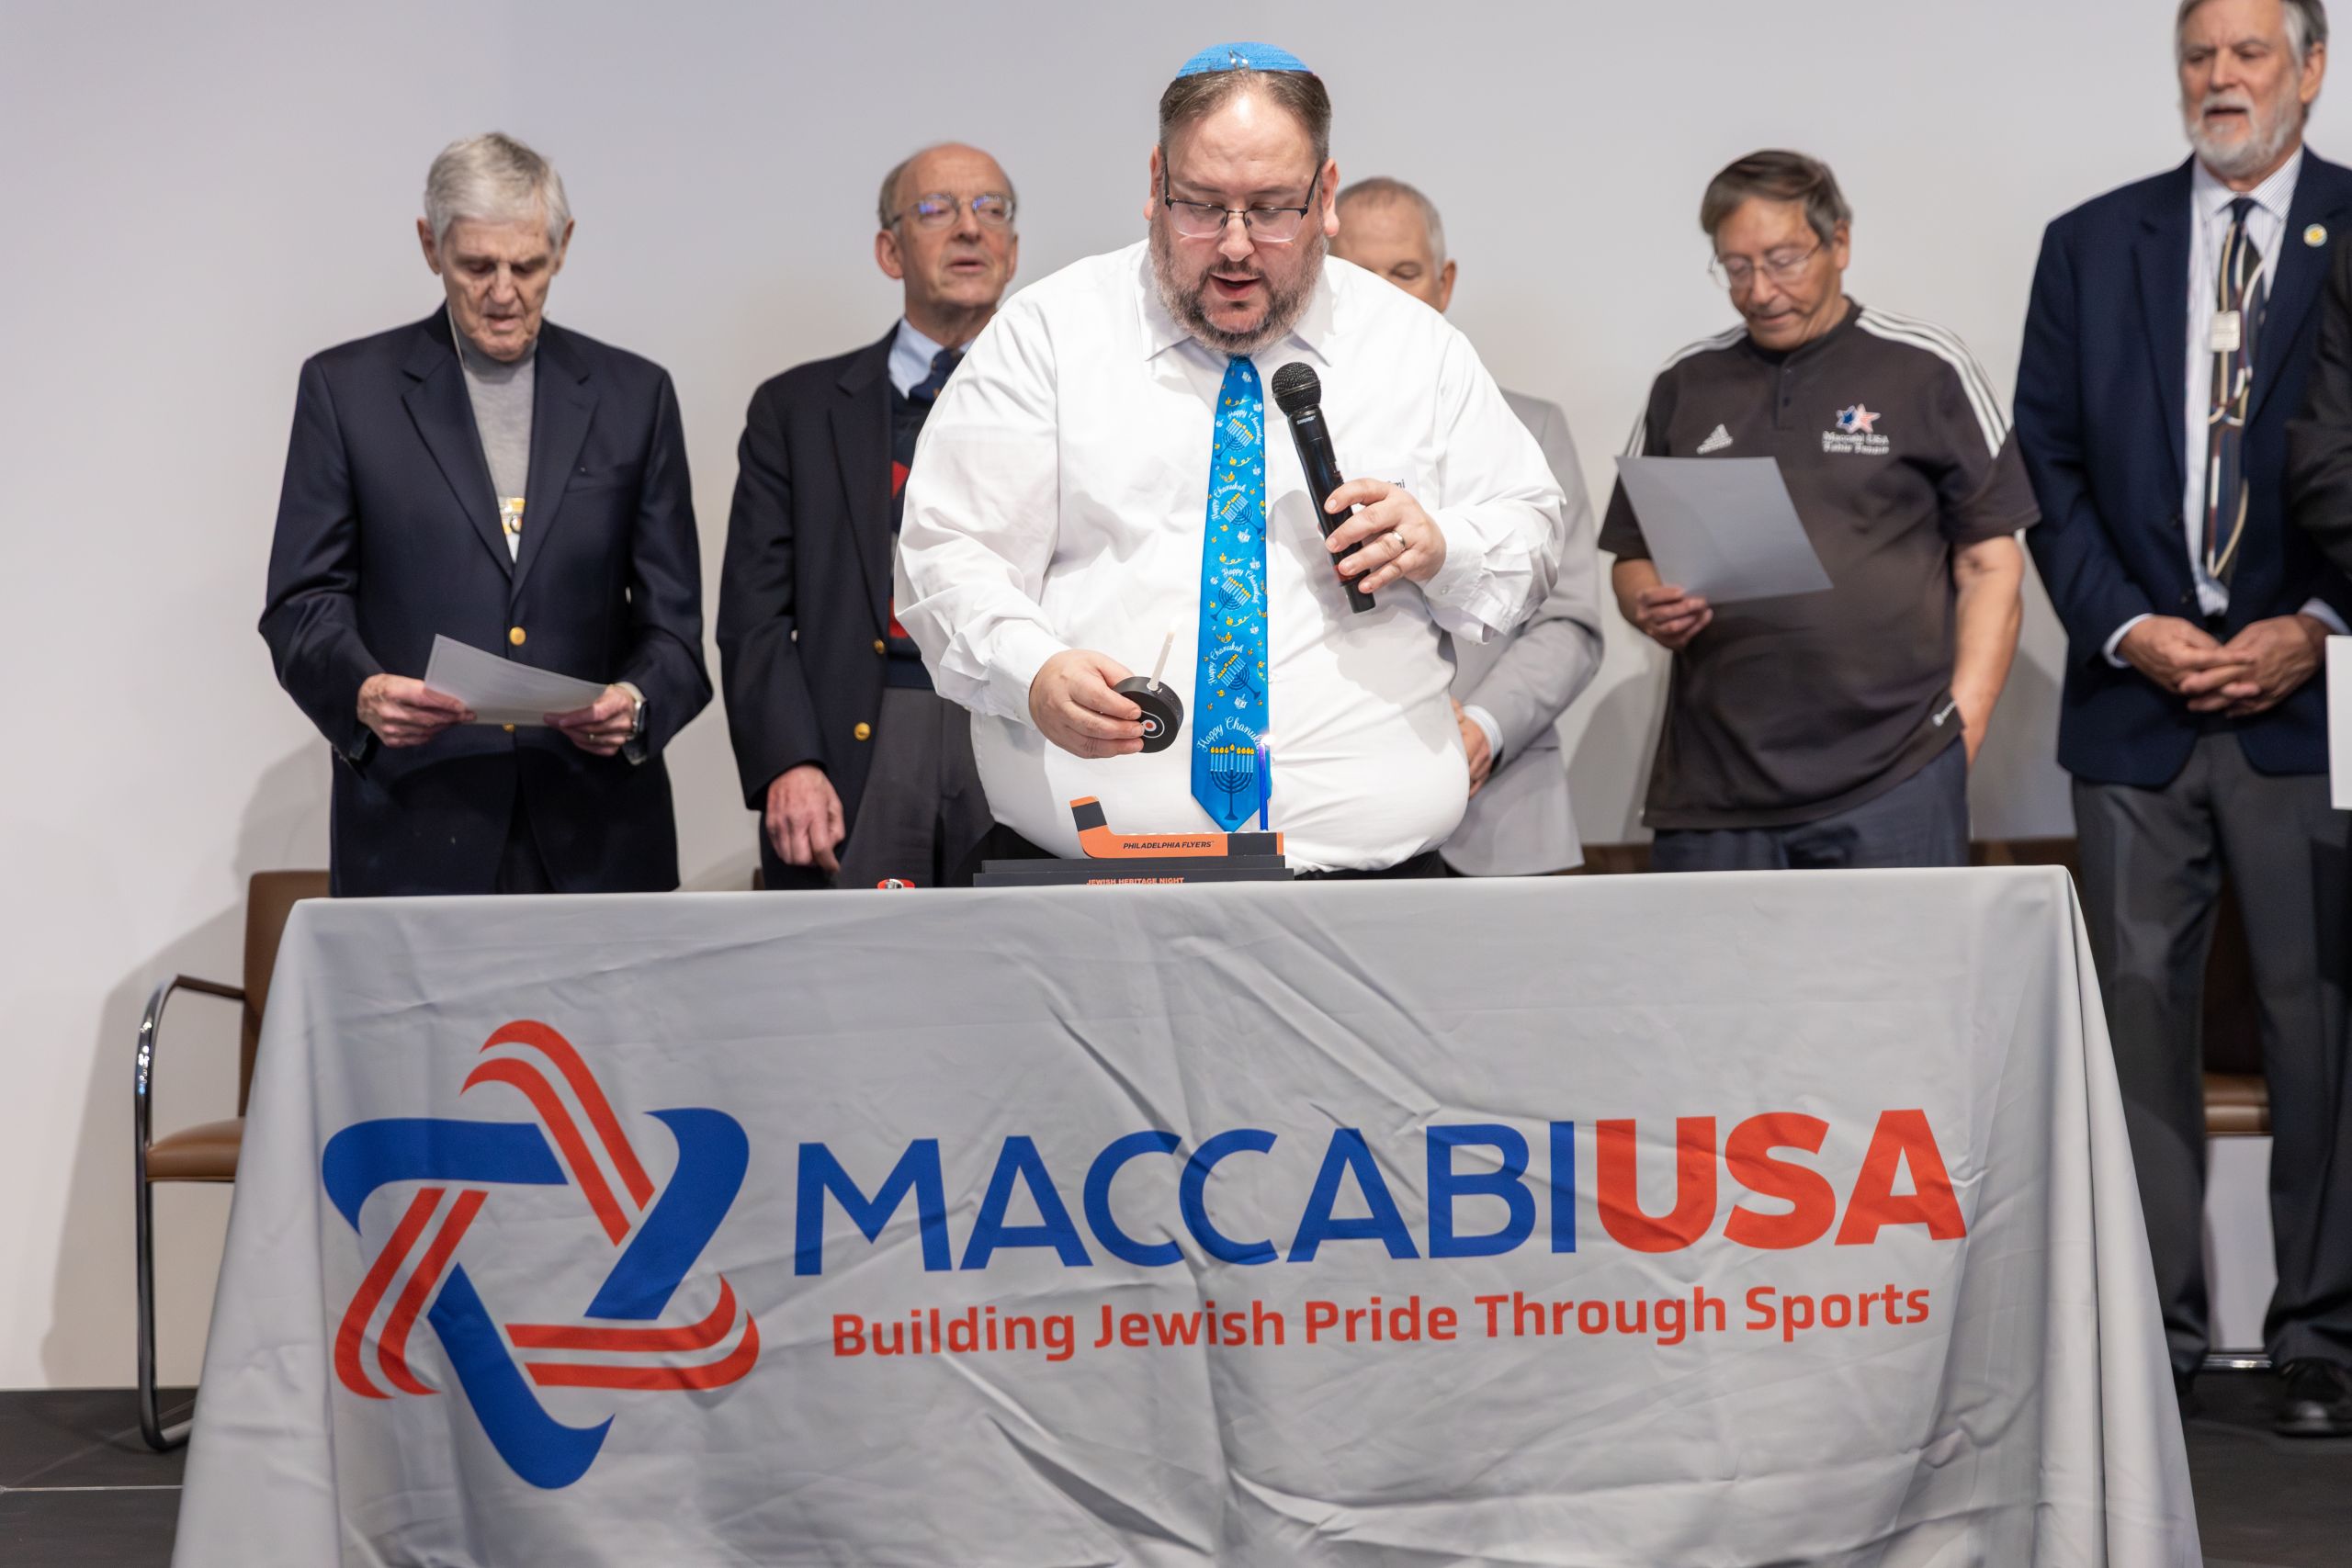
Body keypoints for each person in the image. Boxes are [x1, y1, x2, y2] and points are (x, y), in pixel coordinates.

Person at [894, 43, 1562, 877]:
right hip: (1093, 882)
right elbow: (947, 555)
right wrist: (1031, 672)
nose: (1236, 246)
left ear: (1325, 196)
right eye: (1203, 207)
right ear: (1156, 182)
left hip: (1374, 889)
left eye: (1272, 209)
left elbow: (1532, 537)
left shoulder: (1416, 350)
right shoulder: (1049, 337)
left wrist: (1443, 545)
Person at [2021, 0, 2352, 1435]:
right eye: (2199, 56)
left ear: (2313, 69)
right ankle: (2149, 1336)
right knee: (2136, 1022)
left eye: (2249, 53)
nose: (2220, 79)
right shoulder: (2092, 242)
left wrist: (2319, 624)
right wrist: (2130, 626)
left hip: (2317, 698)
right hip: (2134, 699)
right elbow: (2045, 464)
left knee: (2321, 1022)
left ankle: (2324, 1336)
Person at [260, 133, 708, 896]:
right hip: (415, 826)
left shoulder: (636, 397)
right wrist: (363, 692)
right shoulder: (346, 392)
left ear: (562, 246)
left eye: (527, 266)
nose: (504, 292)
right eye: (476, 266)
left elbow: (676, 632)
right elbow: (301, 605)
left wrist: (635, 705)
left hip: (597, 836)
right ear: (429, 245)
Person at [1600, 151, 2034, 872]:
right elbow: (1632, 554)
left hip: (1896, 775)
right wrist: (1645, 601)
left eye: (1782, 261)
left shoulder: (1926, 367)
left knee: (1899, 955)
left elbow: (1992, 564)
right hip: (1715, 788)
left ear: (1840, 243)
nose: (1760, 291)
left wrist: (1964, 729)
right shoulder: (1687, 382)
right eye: (1735, 267)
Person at [718, 143, 1017, 889]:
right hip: (863, 734)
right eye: (936, 209)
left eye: (991, 209)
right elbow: (754, 617)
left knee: (1020, 958)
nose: (969, 227)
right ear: (890, 251)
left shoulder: (1069, 405)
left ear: (1012, 250)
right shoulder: (795, 410)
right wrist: (789, 761)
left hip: (1018, 725)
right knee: (850, 961)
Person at [1330, 176, 1604, 876]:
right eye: (1361, 275)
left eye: (1406, 272)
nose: (1387, 297)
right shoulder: (1281, 433)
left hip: (1506, 817)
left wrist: (1483, 727)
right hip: (1341, 815)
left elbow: (1569, 622)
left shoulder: (1530, 427)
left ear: (1444, 282)